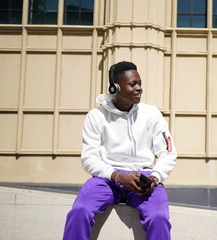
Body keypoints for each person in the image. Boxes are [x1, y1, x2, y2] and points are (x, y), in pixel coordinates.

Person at [63, 61, 177, 240]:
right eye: (133, 84)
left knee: (159, 217)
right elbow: (89, 157)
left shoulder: (152, 114)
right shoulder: (97, 116)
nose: (139, 88)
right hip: (107, 179)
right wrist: (117, 176)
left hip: (144, 179)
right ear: (115, 88)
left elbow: (168, 152)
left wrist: (155, 177)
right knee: (80, 211)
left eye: (140, 83)